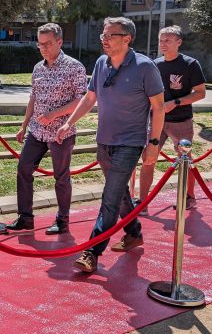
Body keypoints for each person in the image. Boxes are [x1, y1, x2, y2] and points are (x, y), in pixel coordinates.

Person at [57, 17, 165, 273]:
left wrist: (153, 143)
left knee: (110, 198)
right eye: (102, 36)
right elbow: (89, 97)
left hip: (130, 142)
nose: (104, 40)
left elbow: (158, 107)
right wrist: (68, 123)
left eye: (110, 35)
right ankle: (134, 232)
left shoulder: (145, 67)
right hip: (104, 140)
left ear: (127, 38)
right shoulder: (101, 63)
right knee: (118, 193)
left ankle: (92, 251)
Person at [6, 23, 87, 235]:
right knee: (24, 169)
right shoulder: (37, 68)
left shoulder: (74, 67)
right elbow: (33, 97)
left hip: (61, 132)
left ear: (59, 42)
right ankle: (25, 218)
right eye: (40, 44)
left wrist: (54, 114)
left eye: (48, 44)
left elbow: (82, 100)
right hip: (36, 132)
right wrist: (24, 125)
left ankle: (63, 220)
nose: (43, 48)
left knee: (61, 177)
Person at [134, 25, 206, 216]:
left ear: (179, 42)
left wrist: (176, 102)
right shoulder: (154, 64)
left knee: (185, 161)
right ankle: (143, 202)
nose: (163, 44)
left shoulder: (190, 64)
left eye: (168, 40)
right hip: (156, 121)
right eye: (161, 40)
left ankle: (189, 197)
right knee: (148, 159)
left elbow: (200, 93)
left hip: (181, 122)